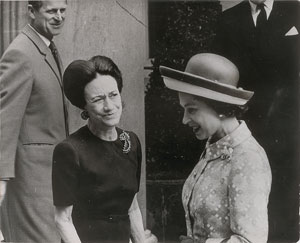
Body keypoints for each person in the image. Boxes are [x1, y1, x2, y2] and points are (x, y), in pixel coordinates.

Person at [159, 53, 272, 243]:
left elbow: (251, 241)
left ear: (220, 107)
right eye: (183, 109)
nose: (184, 119)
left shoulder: (248, 158)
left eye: (192, 109)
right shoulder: (213, 149)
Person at [213, 0, 299, 239]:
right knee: (246, 206)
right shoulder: (227, 20)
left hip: (287, 132)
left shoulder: (295, 10)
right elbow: (219, 83)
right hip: (243, 130)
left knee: (283, 208)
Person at [52, 55, 157, 243]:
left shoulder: (131, 143)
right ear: (84, 106)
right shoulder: (70, 150)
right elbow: (63, 219)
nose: (109, 107)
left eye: (113, 95)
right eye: (98, 99)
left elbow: (131, 206)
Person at [0, 0, 68, 242]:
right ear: (31, 11)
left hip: (49, 176)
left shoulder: (45, 47)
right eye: (51, 11)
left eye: (63, 10)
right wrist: (1, 178)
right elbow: (5, 119)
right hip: (30, 180)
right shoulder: (21, 53)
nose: (59, 17)